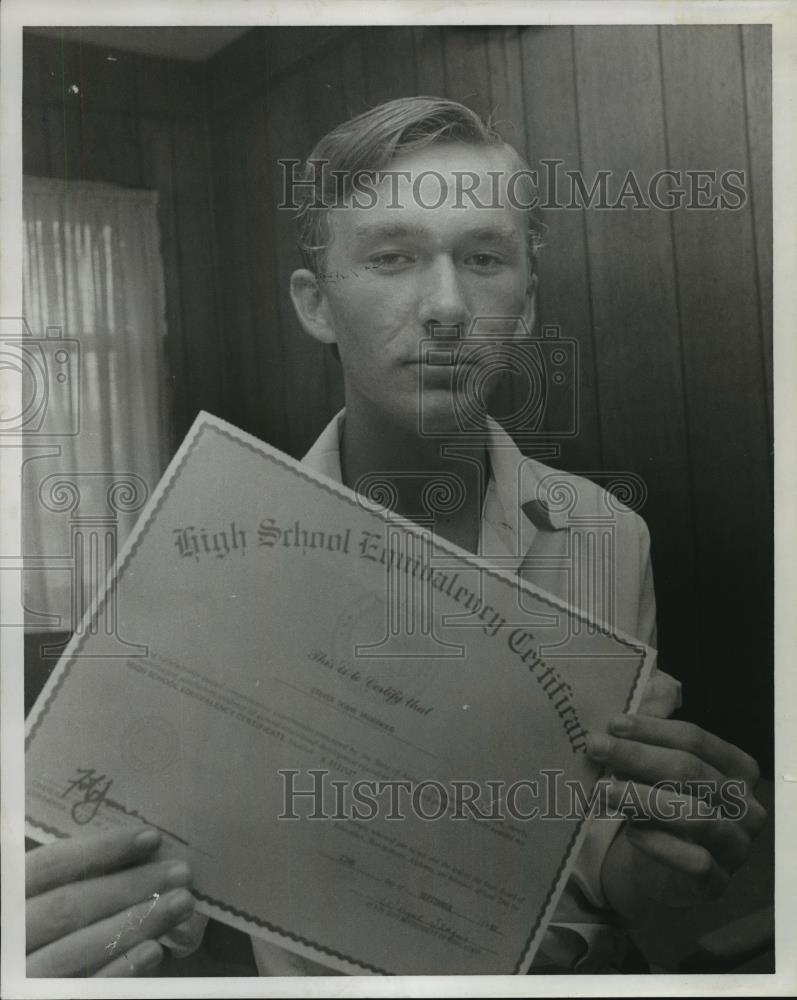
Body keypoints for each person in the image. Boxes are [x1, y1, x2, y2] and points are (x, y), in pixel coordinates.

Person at [25, 97, 767, 977]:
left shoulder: (608, 535)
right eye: (392, 257)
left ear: (525, 306)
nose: (447, 306)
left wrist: (671, 854)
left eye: (485, 258)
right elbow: (161, 872)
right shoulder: (198, 554)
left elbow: (596, 856)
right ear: (316, 304)